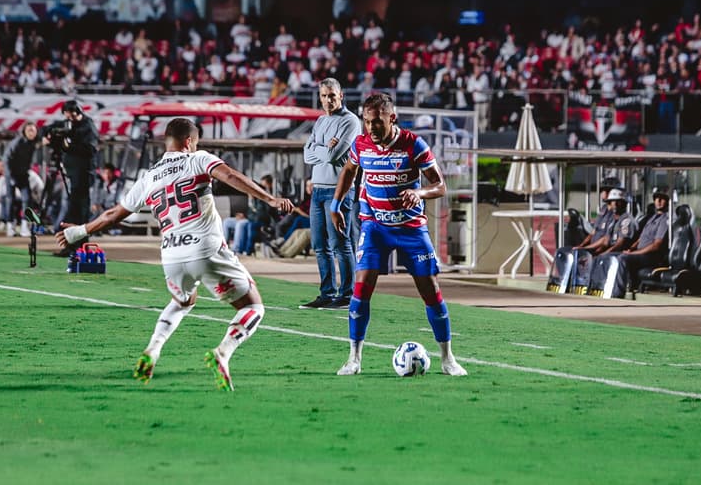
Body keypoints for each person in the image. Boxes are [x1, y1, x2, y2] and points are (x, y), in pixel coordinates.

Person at [56, 117, 294, 391]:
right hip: (206, 248)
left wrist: (78, 232)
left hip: (171, 255)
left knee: (182, 302)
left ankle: (153, 349)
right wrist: (269, 198)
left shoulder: (149, 176)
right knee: (253, 307)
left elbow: (113, 215)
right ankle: (223, 353)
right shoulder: (197, 159)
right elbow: (229, 175)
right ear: (189, 142)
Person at [329, 93, 467, 377]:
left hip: (410, 229)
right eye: (367, 122)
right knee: (360, 288)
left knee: (430, 291)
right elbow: (349, 170)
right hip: (375, 227)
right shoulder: (361, 144)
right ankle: (354, 358)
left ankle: (447, 358)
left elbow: (440, 185)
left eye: (377, 122)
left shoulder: (413, 144)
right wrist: (336, 203)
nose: (371, 128)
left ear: (392, 118)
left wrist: (418, 193)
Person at [300, 77, 361, 310]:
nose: (328, 100)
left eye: (332, 96)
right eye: (324, 96)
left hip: (339, 190)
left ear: (341, 95)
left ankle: (347, 296)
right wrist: (324, 148)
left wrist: (320, 149)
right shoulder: (320, 121)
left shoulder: (351, 121)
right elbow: (307, 154)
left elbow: (335, 156)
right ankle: (327, 293)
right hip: (318, 189)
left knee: (340, 243)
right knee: (319, 245)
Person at [43, 101, 98, 254]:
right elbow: (48, 128)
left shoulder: (88, 126)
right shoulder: (68, 123)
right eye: (67, 116)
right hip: (72, 173)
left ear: (78, 112)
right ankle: (71, 246)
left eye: (72, 115)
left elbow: (91, 150)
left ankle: (80, 246)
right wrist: (47, 135)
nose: (69, 119)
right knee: (73, 211)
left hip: (84, 174)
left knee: (80, 212)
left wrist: (69, 147)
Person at [616, 188, 670, 293]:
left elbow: (656, 245)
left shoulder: (665, 220)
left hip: (651, 256)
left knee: (623, 258)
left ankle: (619, 290)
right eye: (656, 198)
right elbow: (642, 237)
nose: (658, 201)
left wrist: (635, 253)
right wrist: (631, 249)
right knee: (620, 255)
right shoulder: (652, 218)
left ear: (667, 201)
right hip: (640, 253)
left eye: (662, 199)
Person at [2, 121, 40, 237]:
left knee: (27, 199)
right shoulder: (17, 143)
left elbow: (41, 141)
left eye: (33, 130)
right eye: (29, 130)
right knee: (10, 200)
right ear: (24, 131)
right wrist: (10, 176)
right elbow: (7, 159)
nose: (32, 133)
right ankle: (10, 226)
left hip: (23, 174)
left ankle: (25, 226)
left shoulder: (33, 143)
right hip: (12, 174)